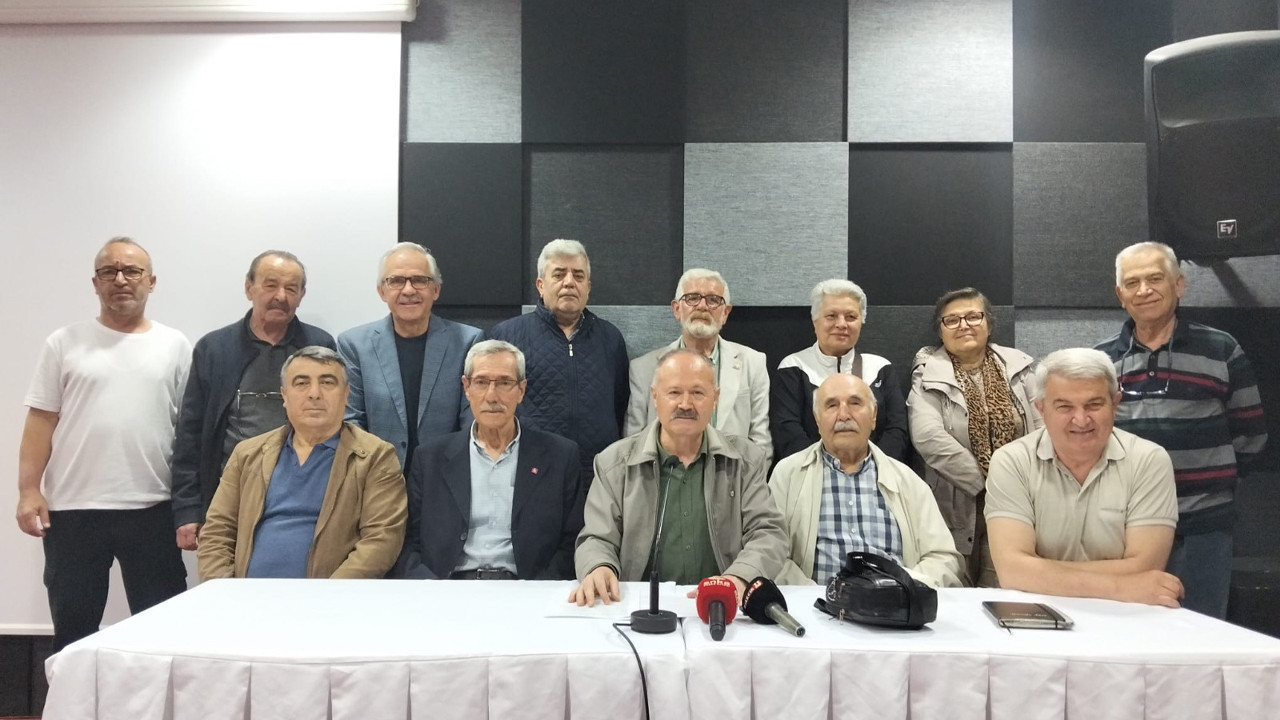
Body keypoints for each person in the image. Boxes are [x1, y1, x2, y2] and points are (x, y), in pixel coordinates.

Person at [17, 237, 191, 651]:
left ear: (151, 281)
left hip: (153, 509)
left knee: (163, 635)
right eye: (108, 271)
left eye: (132, 271)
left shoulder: (175, 345)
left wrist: (190, 506)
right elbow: (41, 420)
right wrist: (28, 490)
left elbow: (188, 430)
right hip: (74, 511)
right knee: (73, 633)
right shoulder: (64, 342)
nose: (120, 279)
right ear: (95, 283)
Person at [1095, 241, 1267, 618]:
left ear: (1179, 284)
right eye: (1133, 282)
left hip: (1203, 526)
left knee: (1200, 631)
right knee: (1128, 632)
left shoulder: (1221, 349)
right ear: (1120, 295)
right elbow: (1090, 440)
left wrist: (1212, 481)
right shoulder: (1100, 361)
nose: (1144, 290)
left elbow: (1251, 433)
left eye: (1155, 278)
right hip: (1124, 526)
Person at [569, 350, 786, 606]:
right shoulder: (613, 464)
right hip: (639, 606)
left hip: (721, 605)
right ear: (654, 396)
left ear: (715, 398)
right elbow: (596, 538)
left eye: (697, 393)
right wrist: (599, 566)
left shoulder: (746, 461)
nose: (685, 404)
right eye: (674, 392)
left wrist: (739, 577)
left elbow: (768, 532)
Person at [985, 348, 1182, 606]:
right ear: (1041, 409)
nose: (1080, 420)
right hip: (1036, 614)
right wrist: (1120, 585)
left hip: (1125, 616)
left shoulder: (1149, 461)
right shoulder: (1011, 462)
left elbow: (1146, 568)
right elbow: (1012, 571)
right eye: (1064, 406)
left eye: (1094, 405)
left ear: (1115, 403)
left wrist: (1039, 573)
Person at [171, 250, 333, 552]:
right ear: (249, 288)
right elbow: (190, 434)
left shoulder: (319, 346)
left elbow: (332, 424)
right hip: (231, 498)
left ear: (302, 295)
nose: (281, 296)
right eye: (270, 285)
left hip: (305, 500)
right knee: (230, 578)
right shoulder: (214, 349)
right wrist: (188, 509)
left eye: (291, 288)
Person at [197, 347, 406, 579]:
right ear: (284, 396)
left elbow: (381, 541)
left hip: (330, 598)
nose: (314, 393)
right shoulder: (247, 454)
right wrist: (225, 590)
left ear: (346, 394)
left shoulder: (376, 457)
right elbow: (217, 532)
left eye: (327, 383)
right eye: (301, 383)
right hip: (245, 596)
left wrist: (325, 595)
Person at [398, 340, 584, 580]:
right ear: (466, 387)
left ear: (521, 390)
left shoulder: (559, 456)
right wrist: (433, 589)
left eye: (504, 383)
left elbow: (572, 543)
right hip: (447, 587)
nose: (492, 396)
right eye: (481, 382)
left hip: (527, 589)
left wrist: (537, 591)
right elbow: (408, 543)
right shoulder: (429, 459)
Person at [771, 374, 963, 588]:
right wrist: (816, 597)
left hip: (893, 604)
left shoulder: (909, 482)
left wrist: (902, 590)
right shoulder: (787, 475)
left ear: (874, 416)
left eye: (855, 403)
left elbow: (942, 558)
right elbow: (770, 552)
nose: (844, 415)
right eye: (832, 405)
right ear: (817, 420)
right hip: (814, 604)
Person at [907, 288, 1040, 586]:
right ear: (940, 331)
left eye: (972, 316)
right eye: (952, 320)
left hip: (1018, 502)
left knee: (1006, 588)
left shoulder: (1020, 367)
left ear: (988, 324)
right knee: (954, 592)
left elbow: (1044, 431)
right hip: (954, 502)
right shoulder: (927, 372)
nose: (963, 325)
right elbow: (928, 436)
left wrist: (1013, 486)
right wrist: (987, 483)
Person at [487, 239, 628, 474]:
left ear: (588, 288)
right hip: (529, 473)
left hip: (598, 476)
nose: (569, 282)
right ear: (540, 285)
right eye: (559, 274)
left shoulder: (610, 338)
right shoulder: (507, 337)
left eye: (578, 276)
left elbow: (620, 407)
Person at [337, 242, 482, 470]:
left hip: (447, 472)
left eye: (419, 280)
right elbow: (351, 419)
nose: (408, 290)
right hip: (376, 474)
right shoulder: (353, 345)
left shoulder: (467, 342)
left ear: (436, 290)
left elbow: (472, 419)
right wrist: (374, 472)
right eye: (396, 281)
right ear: (382, 291)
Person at [625, 269, 771, 460]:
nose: (702, 306)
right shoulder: (644, 369)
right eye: (692, 298)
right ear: (677, 309)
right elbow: (634, 444)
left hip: (733, 475)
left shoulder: (753, 363)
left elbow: (761, 442)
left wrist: (749, 478)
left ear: (725, 312)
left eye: (713, 300)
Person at [771, 279, 910, 464]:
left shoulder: (880, 368)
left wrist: (873, 469)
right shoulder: (793, 367)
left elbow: (897, 430)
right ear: (815, 321)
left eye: (851, 317)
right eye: (831, 316)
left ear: (862, 322)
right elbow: (787, 431)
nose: (842, 324)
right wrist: (827, 471)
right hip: (809, 473)